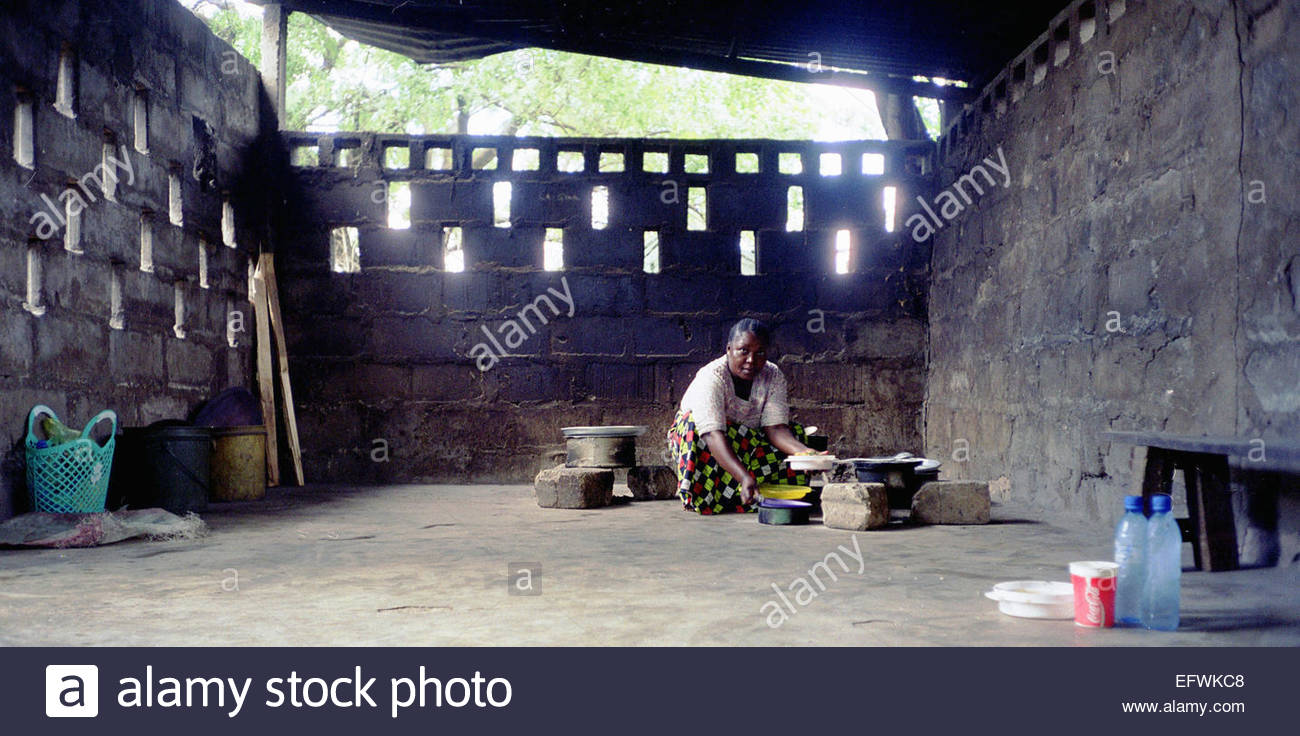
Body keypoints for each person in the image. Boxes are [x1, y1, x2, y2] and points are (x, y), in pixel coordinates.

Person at [667, 318, 821, 514]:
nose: (751, 360)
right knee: (693, 426)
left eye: (760, 353)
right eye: (744, 351)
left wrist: (805, 453)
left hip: (747, 443)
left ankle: (763, 495)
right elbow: (712, 434)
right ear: (729, 349)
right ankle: (719, 495)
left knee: (796, 434)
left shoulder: (773, 376)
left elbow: (776, 429)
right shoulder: (711, 378)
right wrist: (744, 476)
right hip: (709, 442)